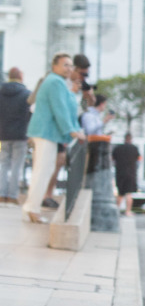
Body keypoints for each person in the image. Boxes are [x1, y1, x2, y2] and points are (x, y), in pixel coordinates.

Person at [23, 54, 84, 223]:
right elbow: (60, 109)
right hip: (45, 132)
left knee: (44, 170)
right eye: (65, 65)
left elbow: (65, 108)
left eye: (71, 65)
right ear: (54, 66)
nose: (69, 68)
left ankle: (31, 207)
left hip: (47, 132)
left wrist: (73, 129)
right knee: (42, 171)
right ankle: (32, 208)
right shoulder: (55, 82)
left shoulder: (57, 82)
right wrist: (72, 131)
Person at [0, 67, 31, 205]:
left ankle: (1, 194)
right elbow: (30, 114)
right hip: (20, 134)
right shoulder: (26, 94)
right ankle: (12, 196)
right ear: (21, 77)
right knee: (16, 165)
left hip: (3, 134)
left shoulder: (1, 92)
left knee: (3, 164)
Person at [110, 133, 141, 216]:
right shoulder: (134, 148)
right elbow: (139, 159)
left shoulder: (118, 148)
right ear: (131, 139)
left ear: (124, 139)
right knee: (129, 193)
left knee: (120, 193)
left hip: (120, 173)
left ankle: (116, 211)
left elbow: (112, 159)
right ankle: (128, 211)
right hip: (131, 173)